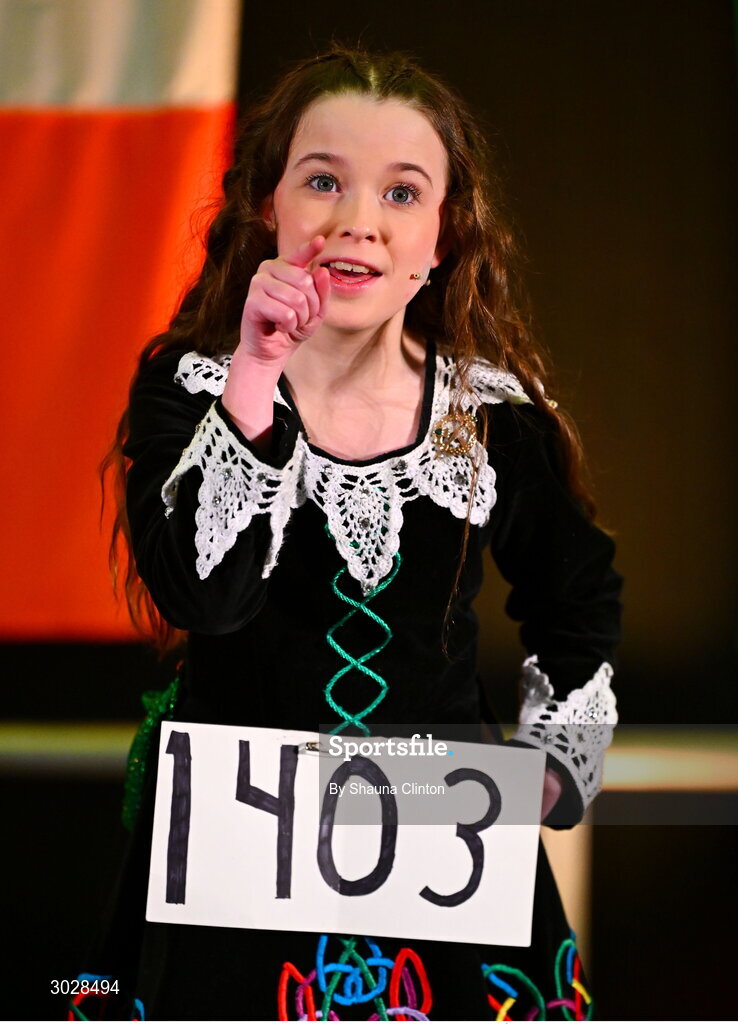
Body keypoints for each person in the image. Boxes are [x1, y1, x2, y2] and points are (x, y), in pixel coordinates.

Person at [85, 45, 622, 1022]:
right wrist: (252, 373)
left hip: (439, 868)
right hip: (236, 872)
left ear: (445, 239)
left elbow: (575, 596)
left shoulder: (494, 416)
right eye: (323, 179)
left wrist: (550, 767)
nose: (357, 222)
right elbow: (203, 597)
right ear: (268, 209)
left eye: (403, 192)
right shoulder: (192, 389)